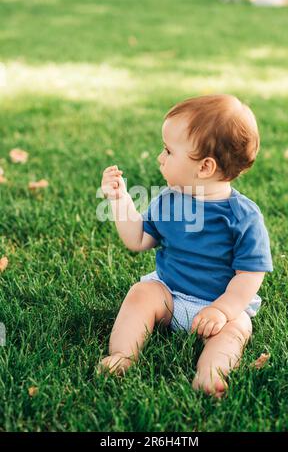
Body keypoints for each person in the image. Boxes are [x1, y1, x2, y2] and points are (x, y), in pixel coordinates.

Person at [97, 94, 273, 398]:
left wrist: (223, 309)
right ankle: (123, 355)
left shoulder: (242, 216)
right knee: (141, 293)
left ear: (204, 167)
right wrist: (120, 201)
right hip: (169, 295)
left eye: (168, 151)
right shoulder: (167, 200)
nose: (160, 158)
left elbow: (250, 275)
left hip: (219, 305)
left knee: (236, 329)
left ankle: (211, 374)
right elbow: (138, 240)